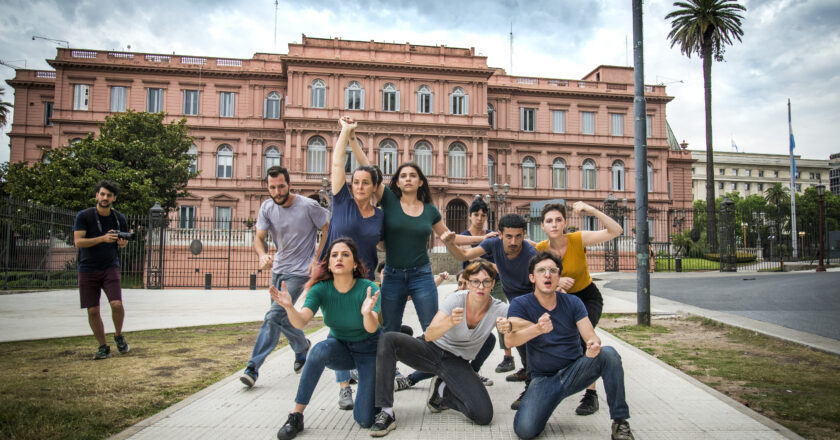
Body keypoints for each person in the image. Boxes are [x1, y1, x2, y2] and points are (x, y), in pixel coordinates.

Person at [501, 252, 634, 440]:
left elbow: (591, 335)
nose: (547, 275)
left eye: (552, 271)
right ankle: (545, 404)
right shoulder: (521, 304)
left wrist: (593, 345)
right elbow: (510, 341)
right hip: (544, 379)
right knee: (524, 430)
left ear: (558, 277)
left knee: (609, 354)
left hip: (574, 372)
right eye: (541, 270)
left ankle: (620, 422)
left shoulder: (573, 302)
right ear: (532, 277)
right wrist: (538, 329)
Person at [370, 260, 510, 437]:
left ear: (493, 283)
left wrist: (511, 328)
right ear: (467, 282)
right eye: (475, 281)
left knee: (483, 415)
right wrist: (450, 321)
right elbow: (429, 335)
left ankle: (442, 393)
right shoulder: (456, 299)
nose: (480, 286)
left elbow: (517, 325)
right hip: (429, 350)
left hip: (456, 362)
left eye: (486, 281)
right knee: (388, 339)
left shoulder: (500, 308)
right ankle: (386, 411)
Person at [273, 238, 381, 439]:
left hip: (369, 349)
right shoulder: (321, 289)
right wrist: (289, 307)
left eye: (345, 254)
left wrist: (366, 312)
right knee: (318, 350)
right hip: (340, 347)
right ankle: (296, 415)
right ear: (329, 264)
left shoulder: (368, 288)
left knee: (365, 420)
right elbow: (301, 321)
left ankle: (375, 392)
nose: (339, 258)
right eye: (334, 255)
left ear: (355, 263)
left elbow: (372, 327)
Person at [240, 166, 329, 388]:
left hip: (299, 272)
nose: (277, 191)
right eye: (272, 187)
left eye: (281, 186)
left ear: (289, 185)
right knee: (281, 317)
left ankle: (253, 367)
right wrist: (262, 255)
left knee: (273, 316)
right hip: (278, 269)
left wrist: (316, 259)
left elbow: (328, 229)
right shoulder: (268, 207)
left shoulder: (309, 206)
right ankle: (301, 348)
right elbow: (259, 238)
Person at [318, 116, 385, 409]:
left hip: (365, 277)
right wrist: (345, 133)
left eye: (364, 182)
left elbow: (372, 169)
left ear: (373, 187)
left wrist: (355, 141)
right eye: (355, 181)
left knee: (365, 324)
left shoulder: (381, 214)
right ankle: (344, 385)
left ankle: (365, 368)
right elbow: (336, 166)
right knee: (337, 326)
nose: (359, 185)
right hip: (333, 272)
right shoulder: (341, 199)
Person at [535, 202, 622, 416]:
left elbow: (616, 231)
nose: (554, 224)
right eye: (549, 221)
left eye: (558, 220)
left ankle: (591, 394)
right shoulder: (540, 249)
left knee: (586, 339)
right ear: (543, 226)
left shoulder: (578, 239)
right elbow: (536, 278)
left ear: (565, 223)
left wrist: (592, 211)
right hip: (561, 301)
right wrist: (556, 281)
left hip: (587, 297)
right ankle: (557, 382)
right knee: (564, 341)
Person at [442, 213, 536, 391]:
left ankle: (532, 384)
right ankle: (526, 369)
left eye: (518, 236)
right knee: (517, 337)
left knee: (529, 338)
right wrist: (449, 243)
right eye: (508, 236)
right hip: (513, 297)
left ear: (524, 234)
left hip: (531, 297)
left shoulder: (530, 254)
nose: (513, 242)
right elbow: (464, 255)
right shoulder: (493, 244)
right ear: (500, 234)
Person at [395, 270, 496, 391]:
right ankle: (410, 380)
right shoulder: (454, 300)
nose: (462, 287)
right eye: (460, 284)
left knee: (489, 339)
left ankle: (472, 373)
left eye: (466, 284)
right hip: (444, 343)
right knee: (445, 359)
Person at [73, 180, 131, 360]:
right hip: (87, 267)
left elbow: (124, 241)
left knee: (116, 304)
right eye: (102, 194)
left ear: (114, 198)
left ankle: (118, 335)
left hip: (110, 266)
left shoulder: (119, 218)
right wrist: (102, 238)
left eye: (109, 195)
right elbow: (78, 242)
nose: (105, 198)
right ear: (97, 195)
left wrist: (122, 243)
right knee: (92, 310)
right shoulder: (84, 216)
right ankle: (102, 346)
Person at [458, 198, 512, 373]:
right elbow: (464, 256)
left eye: (483, 215)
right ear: (469, 216)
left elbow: (500, 266)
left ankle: (508, 356)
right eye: (476, 214)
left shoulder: (494, 237)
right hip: (471, 286)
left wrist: (479, 260)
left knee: (502, 317)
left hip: (494, 283)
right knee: (470, 323)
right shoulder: (465, 237)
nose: (480, 218)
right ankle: (462, 359)